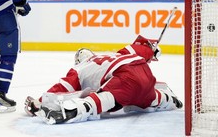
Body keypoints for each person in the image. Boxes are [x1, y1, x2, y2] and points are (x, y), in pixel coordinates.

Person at [24, 35, 183, 124]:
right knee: (149, 96)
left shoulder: (80, 68)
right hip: (145, 72)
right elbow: (138, 49)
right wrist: (152, 50)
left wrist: (39, 102)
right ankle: (168, 99)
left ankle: (73, 111)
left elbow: (62, 87)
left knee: (103, 98)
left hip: (125, 80)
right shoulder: (115, 54)